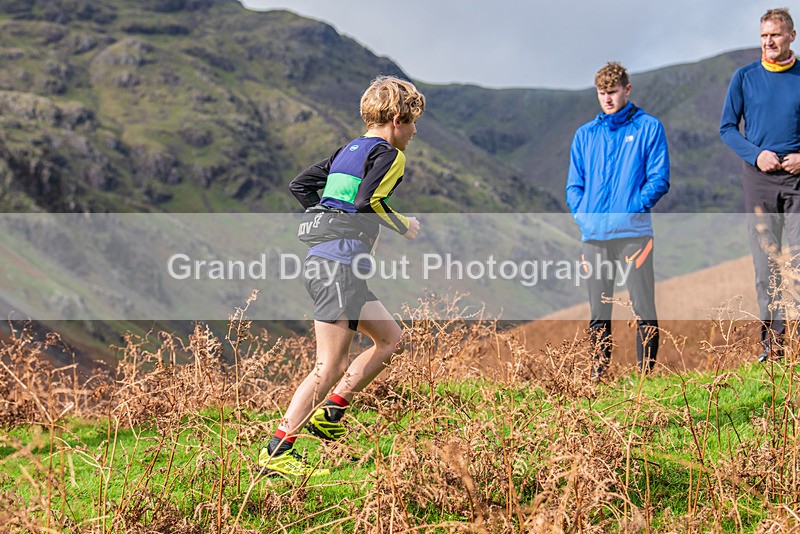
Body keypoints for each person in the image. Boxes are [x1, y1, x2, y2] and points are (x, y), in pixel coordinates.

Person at [259, 75, 425, 477]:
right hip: (339, 267)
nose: (415, 132)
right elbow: (370, 201)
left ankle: (331, 411)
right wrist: (404, 226)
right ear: (398, 120)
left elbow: (301, 186)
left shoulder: (347, 151)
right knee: (330, 365)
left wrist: (329, 218)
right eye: (414, 123)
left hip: (330, 263)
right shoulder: (389, 154)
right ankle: (277, 451)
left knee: (391, 340)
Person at [566, 61, 670, 381]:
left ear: (627, 89)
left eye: (612, 91)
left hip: (633, 233)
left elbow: (659, 178)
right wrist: (583, 217)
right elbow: (574, 186)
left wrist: (633, 208)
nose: (607, 98)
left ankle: (644, 379)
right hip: (594, 236)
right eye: (602, 93)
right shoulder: (585, 135)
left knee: (642, 306)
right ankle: (598, 377)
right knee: (599, 310)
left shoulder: (649, 128)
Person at [720, 7, 800, 363]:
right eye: (764, 35)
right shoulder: (744, 77)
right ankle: (772, 348)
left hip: (798, 181)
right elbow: (727, 128)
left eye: (776, 35)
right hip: (759, 181)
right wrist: (756, 155)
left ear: (791, 36)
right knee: (766, 267)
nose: (769, 41)